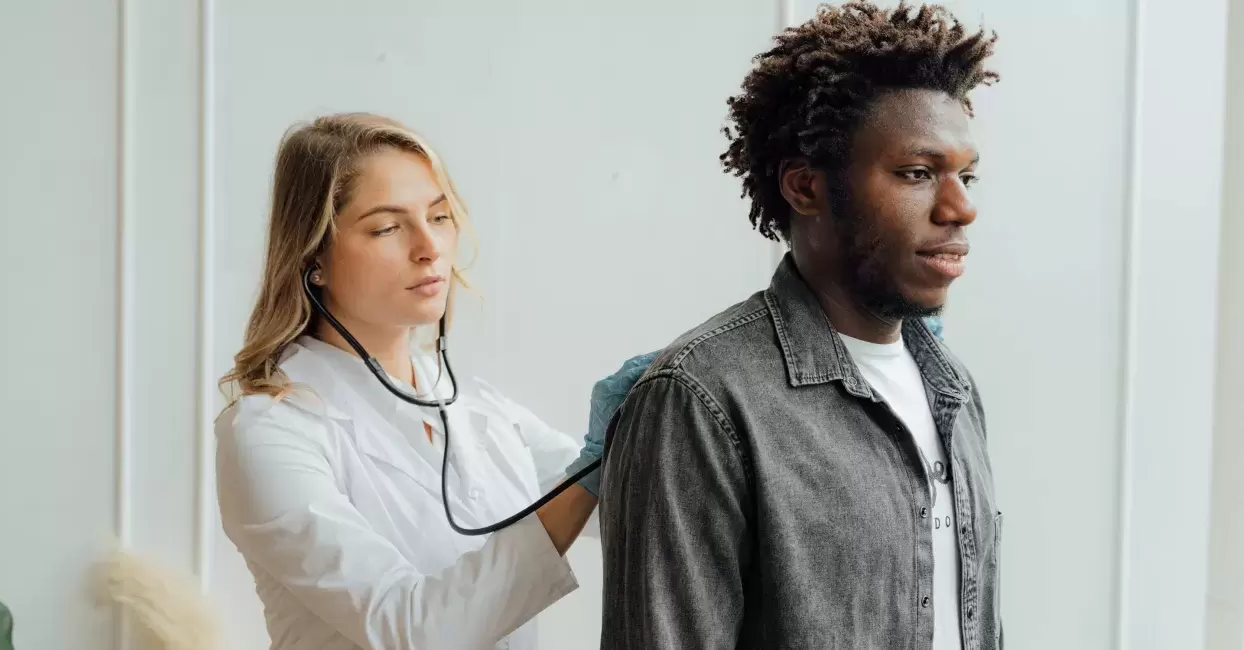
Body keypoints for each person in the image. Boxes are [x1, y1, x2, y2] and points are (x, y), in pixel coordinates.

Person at [597, 2, 1002, 649]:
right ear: (805, 187)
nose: (961, 207)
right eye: (918, 174)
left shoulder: (951, 387)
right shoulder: (701, 402)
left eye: (967, 174)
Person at [214, 112, 652, 650]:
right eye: (387, 227)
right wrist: (592, 467)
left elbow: (631, 503)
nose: (430, 247)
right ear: (314, 258)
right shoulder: (269, 432)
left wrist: (661, 418)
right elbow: (410, 627)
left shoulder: (478, 409)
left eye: (440, 217)